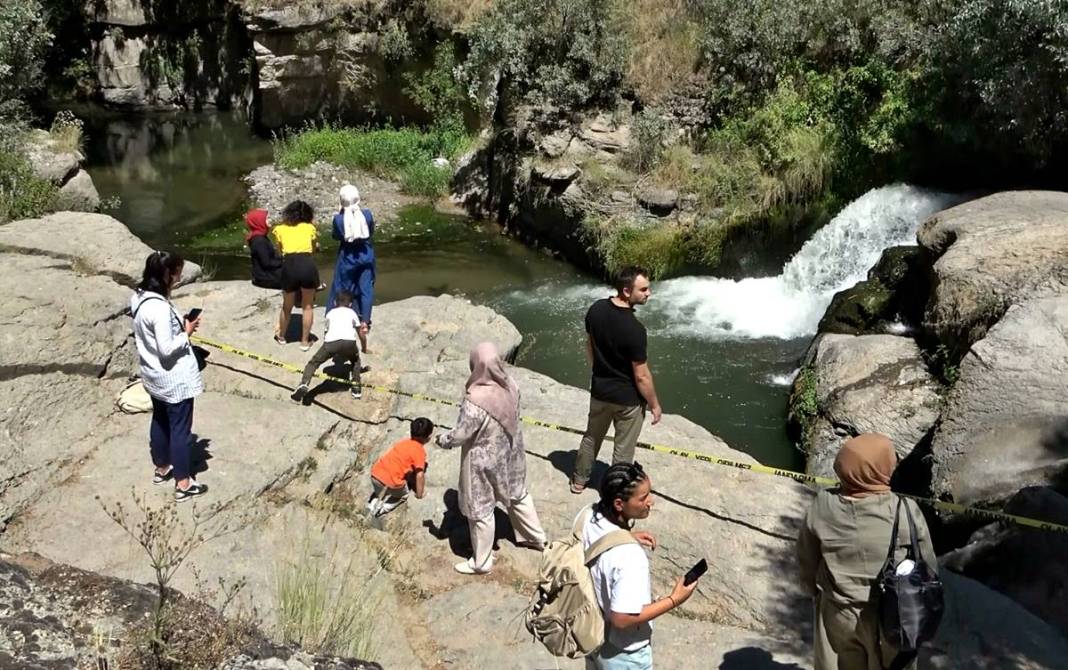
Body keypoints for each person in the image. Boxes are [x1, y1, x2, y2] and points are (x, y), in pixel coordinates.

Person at [797, 433, 938, 670]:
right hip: (894, 614)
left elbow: (807, 556)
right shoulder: (905, 510)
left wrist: (810, 588)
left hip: (840, 612)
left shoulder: (823, 504)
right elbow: (928, 564)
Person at [436, 342, 547, 575]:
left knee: (481, 510)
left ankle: (482, 562)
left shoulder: (474, 399)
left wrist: (443, 440)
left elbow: (462, 434)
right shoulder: (511, 385)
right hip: (511, 452)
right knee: (518, 494)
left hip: (483, 462)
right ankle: (536, 538)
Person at [581, 461, 697, 669]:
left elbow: (596, 548)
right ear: (619, 504)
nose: (650, 501)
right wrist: (674, 599)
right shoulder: (630, 557)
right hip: (624, 654)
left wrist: (624, 537)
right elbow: (622, 619)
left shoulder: (589, 516)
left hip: (590, 631)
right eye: (643, 498)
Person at [571, 265, 662, 494]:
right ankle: (614, 494)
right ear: (626, 290)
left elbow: (589, 346)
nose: (648, 293)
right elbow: (641, 376)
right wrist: (654, 404)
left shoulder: (596, 309)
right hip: (628, 401)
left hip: (600, 391)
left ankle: (579, 481)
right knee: (623, 450)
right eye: (643, 289)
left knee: (591, 438)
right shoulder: (635, 330)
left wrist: (600, 371)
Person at [129, 250, 207, 503]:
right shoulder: (160, 309)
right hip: (173, 378)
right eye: (177, 273)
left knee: (160, 421)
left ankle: (162, 468)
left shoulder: (138, 298)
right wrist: (186, 331)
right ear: (166, 274)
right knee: (181, 431)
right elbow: (166, 347)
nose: (179, 277)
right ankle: (184, 483)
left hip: (153, 376)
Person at [326, 183, 375, 354]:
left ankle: (339, 315)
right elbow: (371, 231)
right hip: (366, 256)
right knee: (366, 289)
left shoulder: (339, 220)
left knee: (342, 287)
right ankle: (365, 321)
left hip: (347, 258)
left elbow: (335, 236)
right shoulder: (367, 215)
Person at [291, 291, 362, 403]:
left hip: (330, 343)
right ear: (350, 304)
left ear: (334, 302)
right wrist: (364, 346)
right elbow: (359, 331)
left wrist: (329, 348)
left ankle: (304, 383)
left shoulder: (330, 313)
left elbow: (326, 332)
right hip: (349, 343)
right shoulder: (352, 312)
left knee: (313, 363)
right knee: (355, 361)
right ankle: (356, 387)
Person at [271, 200, 320, 351]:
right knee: (307, 306)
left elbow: (279, 251)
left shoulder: (279, 229)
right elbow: (313, 249)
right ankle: (304, 342)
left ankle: (282, 336)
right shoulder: (310, 228)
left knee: (287, 306)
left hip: (289, 265)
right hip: (307, 265)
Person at [367, 417, 434, 517]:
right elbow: (420, 475)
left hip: (375, 474)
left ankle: (372, 504)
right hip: (392, 482)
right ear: (428, 437)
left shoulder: (403, 443)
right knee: (403, 495)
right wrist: (419, 494)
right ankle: (380, 509)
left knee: (379, 490)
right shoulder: (419, 451)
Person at [245, 208, 283, 289]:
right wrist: (284, 261)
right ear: (258, 221)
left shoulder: (260, 236)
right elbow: (267, 263)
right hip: (266, 278)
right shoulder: (259, 240)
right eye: (266, 218)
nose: (269, 220)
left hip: (265, 275)